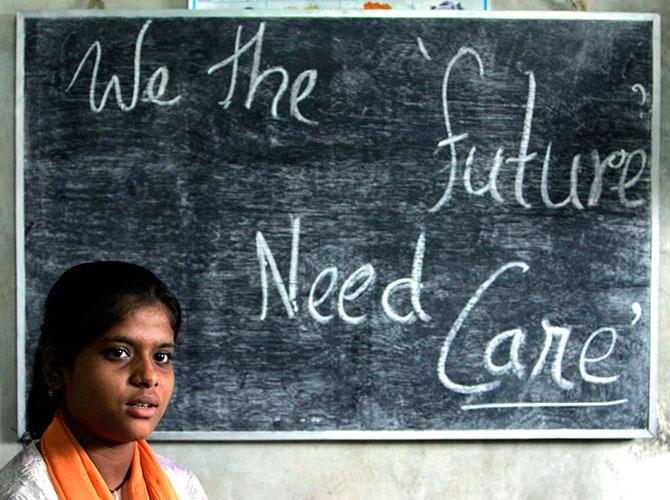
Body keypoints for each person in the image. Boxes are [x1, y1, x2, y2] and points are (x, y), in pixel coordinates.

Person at [0, 261, 208, 499]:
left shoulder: (181, 486)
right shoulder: (25, 493)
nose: (149, 376)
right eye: (118, 353)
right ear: (55, 369)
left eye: (161, 356)